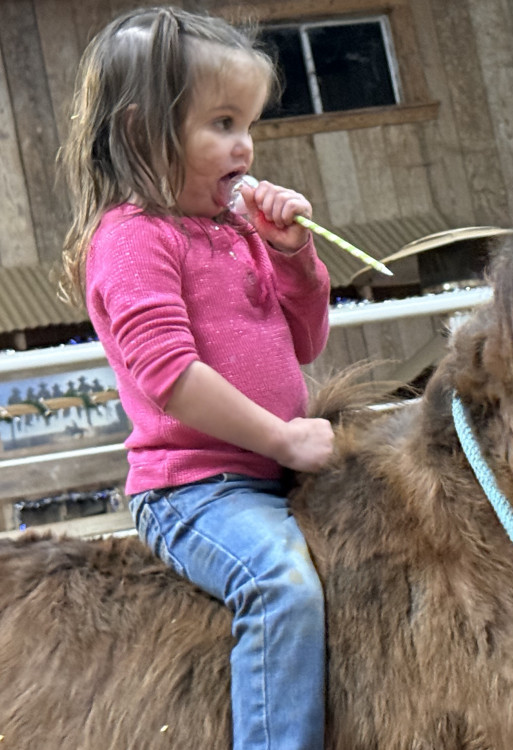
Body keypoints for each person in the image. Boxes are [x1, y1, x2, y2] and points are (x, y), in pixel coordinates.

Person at [58, 7, 334, 749]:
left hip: (273, 473)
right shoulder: (131, 239)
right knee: (280, 586)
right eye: (221, 123)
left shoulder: (237, 230)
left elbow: (306, 343)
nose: (245, 144)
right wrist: (284, 439)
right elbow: (170, 376)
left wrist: (293, 256)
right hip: (196, 490)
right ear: (143, 132)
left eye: (248, 124)